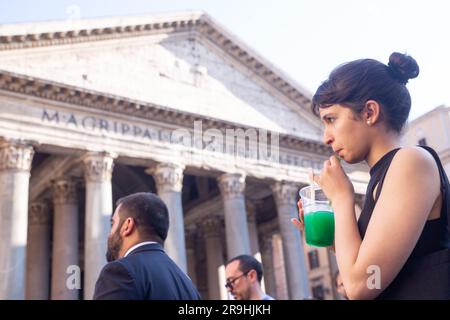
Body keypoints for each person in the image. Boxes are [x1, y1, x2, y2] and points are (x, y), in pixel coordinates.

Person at [292, 52, 450, 299]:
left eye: (331, 119)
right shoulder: (387, 174)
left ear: (369, 112)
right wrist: (335, 242)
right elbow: (371, 269)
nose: (326, 137)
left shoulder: (411, 161)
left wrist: (342, 198)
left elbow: (360, 286)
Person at [93, 192, 201, 300]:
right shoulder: (187, 284)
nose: (109, 232)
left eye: (113, 224)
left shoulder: (121, 272)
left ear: (127, 225)